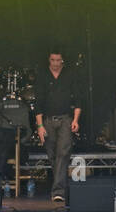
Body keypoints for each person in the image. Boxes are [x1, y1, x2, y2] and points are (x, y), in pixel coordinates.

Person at [35, 50, 81, 203]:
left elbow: (78, 99)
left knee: (63, 153)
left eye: (58, 60)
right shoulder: (42, 76)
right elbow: (38, 103)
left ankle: (58, 191)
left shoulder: (70, 75)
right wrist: (40, 126)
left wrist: (76, 120)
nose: (55, 63)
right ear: (49, 60)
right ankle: (61, 186)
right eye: (52, 60)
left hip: (65, 119)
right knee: (52, 155)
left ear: (62, 61)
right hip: (47, 120)